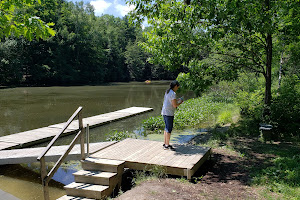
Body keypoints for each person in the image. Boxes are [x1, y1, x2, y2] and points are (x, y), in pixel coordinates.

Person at [161, 80, 183, 150]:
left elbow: (171, 101)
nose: (177, 89)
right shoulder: (173, 93)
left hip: (164, 112)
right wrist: (180, 102)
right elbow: (174, 105)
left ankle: (165, 143)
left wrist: (177, 100)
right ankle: (167, 145)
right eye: (178, 87)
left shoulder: (167, 91)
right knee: (169, 129)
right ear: (175, 86)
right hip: (169, 113)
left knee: (166, 128)